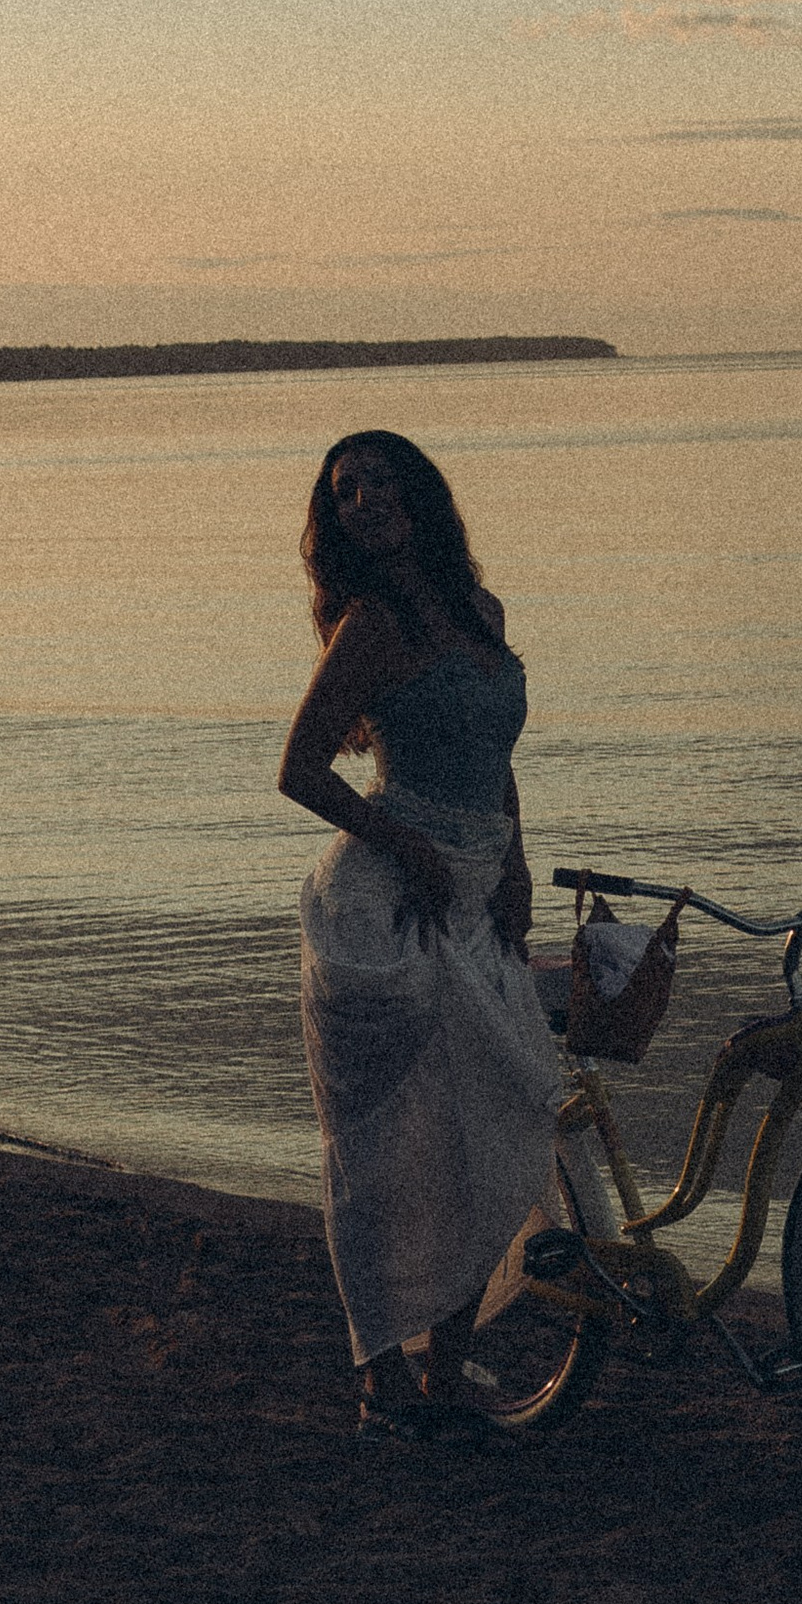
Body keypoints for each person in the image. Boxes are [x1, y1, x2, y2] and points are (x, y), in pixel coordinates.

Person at [278, 429, 566, 1443]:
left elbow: (497, 754)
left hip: (480, 892)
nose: (364, 500)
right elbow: (301, 769)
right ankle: (383, 1386)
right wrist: (403, 841)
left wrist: (519, 866)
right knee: (388, 1155)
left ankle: (444, 1374)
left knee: (495, 1129)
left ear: (421, 498)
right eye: (345, 491)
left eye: (381, 482)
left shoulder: (480, 613)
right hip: (387, 914)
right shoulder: (371, 627)